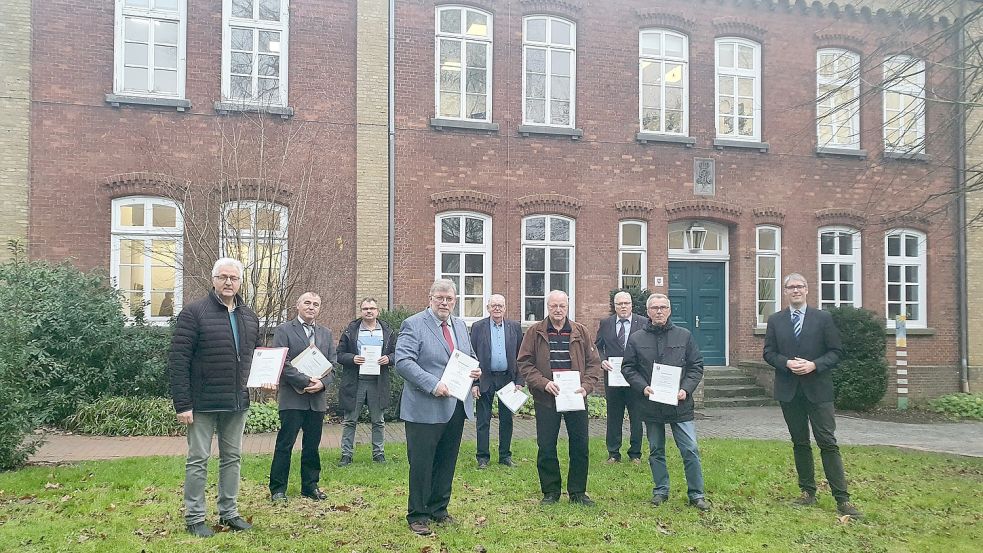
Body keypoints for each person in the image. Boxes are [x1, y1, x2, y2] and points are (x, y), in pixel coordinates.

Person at [168, 257, 260, 538]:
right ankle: (194, 517)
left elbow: (253, 358)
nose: (228, 282)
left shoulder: (249, 316)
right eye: (223, 277)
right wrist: (183, 403)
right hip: (203, 403)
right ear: (213, 280)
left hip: (236, 402)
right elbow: (178, 360)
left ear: (240, 282)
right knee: (198, 459)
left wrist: (261, 381)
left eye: (233, 278)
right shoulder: (194, 313)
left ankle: (229, 513)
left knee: (232, 458)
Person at [763, 273, 862, 517]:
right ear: (785, 292)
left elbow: (836, 351)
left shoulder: (823, 318)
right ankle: (807, 492)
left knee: (827, 442)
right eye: (791, 287)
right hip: (789, 391)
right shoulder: (776, 320)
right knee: (800, 442)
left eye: (800, 286)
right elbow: (768, 353)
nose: (795, 290)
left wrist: (814, 365)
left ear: (807, 290)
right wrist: (786, 363)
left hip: (818, 389)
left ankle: (842, 498)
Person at [395, 279, 482, 536]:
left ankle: (439, 509)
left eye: (449, 299)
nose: (445, 303)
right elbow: (403, 362)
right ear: (430, 299)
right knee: (422, 463)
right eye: (440, 298)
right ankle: (418, 515)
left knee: (446, 460)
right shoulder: (413, 324)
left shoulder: (460, 325)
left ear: (455, 301)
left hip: (455, 405)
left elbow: (469, 355)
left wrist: (475, 369)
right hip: (425, 406)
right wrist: (433, 384)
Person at [621, 293, 710, 511]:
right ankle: (661, 490)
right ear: (648, 312)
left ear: (669, 310)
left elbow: (696, 366)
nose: (659, 311)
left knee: (690, 449)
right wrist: (643, 387)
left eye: (663, 307)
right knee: (656, 450)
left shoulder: (684, 336)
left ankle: (696, 494)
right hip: (651, 405)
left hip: (680, 405)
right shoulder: (636, 339)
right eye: (654, 308)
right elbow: (628, 368)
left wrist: (685, 389)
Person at [517, 290, 602, 506]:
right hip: (547, 398)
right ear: (547, 307)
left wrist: (586, 386)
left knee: (580, 446)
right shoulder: (535, 332)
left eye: (562, 306)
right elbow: (525, 363)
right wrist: (543, 383)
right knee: (546, 446)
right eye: (554, 305)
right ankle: (551, 492)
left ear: (567, 306)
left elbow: (594, 363)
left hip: (575, 397)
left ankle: (578, 492)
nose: (558, 310)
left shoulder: (580, 332)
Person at [268, 292, 336, 504]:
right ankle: (278, 489)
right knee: (285, 444)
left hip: (317, 400)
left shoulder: (325, 333)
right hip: (292, 398)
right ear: (297, 305)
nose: (311, 307)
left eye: (316, 304)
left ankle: (310, 486)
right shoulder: (283, 330)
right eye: (307, 302)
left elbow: (332, 366)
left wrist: (322, 384)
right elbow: (282, 363)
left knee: (312, 445)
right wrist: (307, 381)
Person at [336, 297, 397, 466]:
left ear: (377, 311)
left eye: (372, 308)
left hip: (378, 382)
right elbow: (339, 355)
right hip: (356, 382)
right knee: (350, 420)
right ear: (361, 311)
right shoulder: (351, 331)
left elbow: (397, 353)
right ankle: (346, 454)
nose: (369, 311)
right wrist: (352, 358)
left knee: (378, 421)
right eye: (365, 309)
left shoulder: (387, 331)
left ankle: (379, 454)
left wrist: (389, 359)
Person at [469, 294, 524, 469]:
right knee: (483, 420)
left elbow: (521, 356)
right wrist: (474, 384)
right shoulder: (478, 327)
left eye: (500, 305)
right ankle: (482, 457)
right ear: (488, 308)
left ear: (505, 308)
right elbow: (472, 355)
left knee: (506, 419)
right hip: (485, 378)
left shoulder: (515, 327)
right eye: (494, 305)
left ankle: (505, 456)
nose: (497, 308)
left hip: (508, 379)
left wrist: (519, 381)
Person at [595, 291, 649, 464]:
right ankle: (613, 453)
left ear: (631, 305)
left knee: (636, 416)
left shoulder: (643, 323)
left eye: (626, 303)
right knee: (614, 416)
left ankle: (635, 454)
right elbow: (598, 346)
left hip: (636, 378)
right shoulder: (606, 323)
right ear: (614, 306)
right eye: (619, 304)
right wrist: (602, 361)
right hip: (613, 378)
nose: (623, 306)